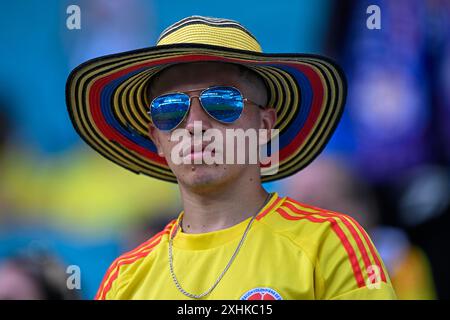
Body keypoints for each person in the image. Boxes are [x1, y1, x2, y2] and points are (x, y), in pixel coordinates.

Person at [66, 15, 396, 299]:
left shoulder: (331, 243)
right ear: (157, 140)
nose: (194, 125)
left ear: (265, 126)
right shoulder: (124, 280)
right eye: (170, 110)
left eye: (222, 102)